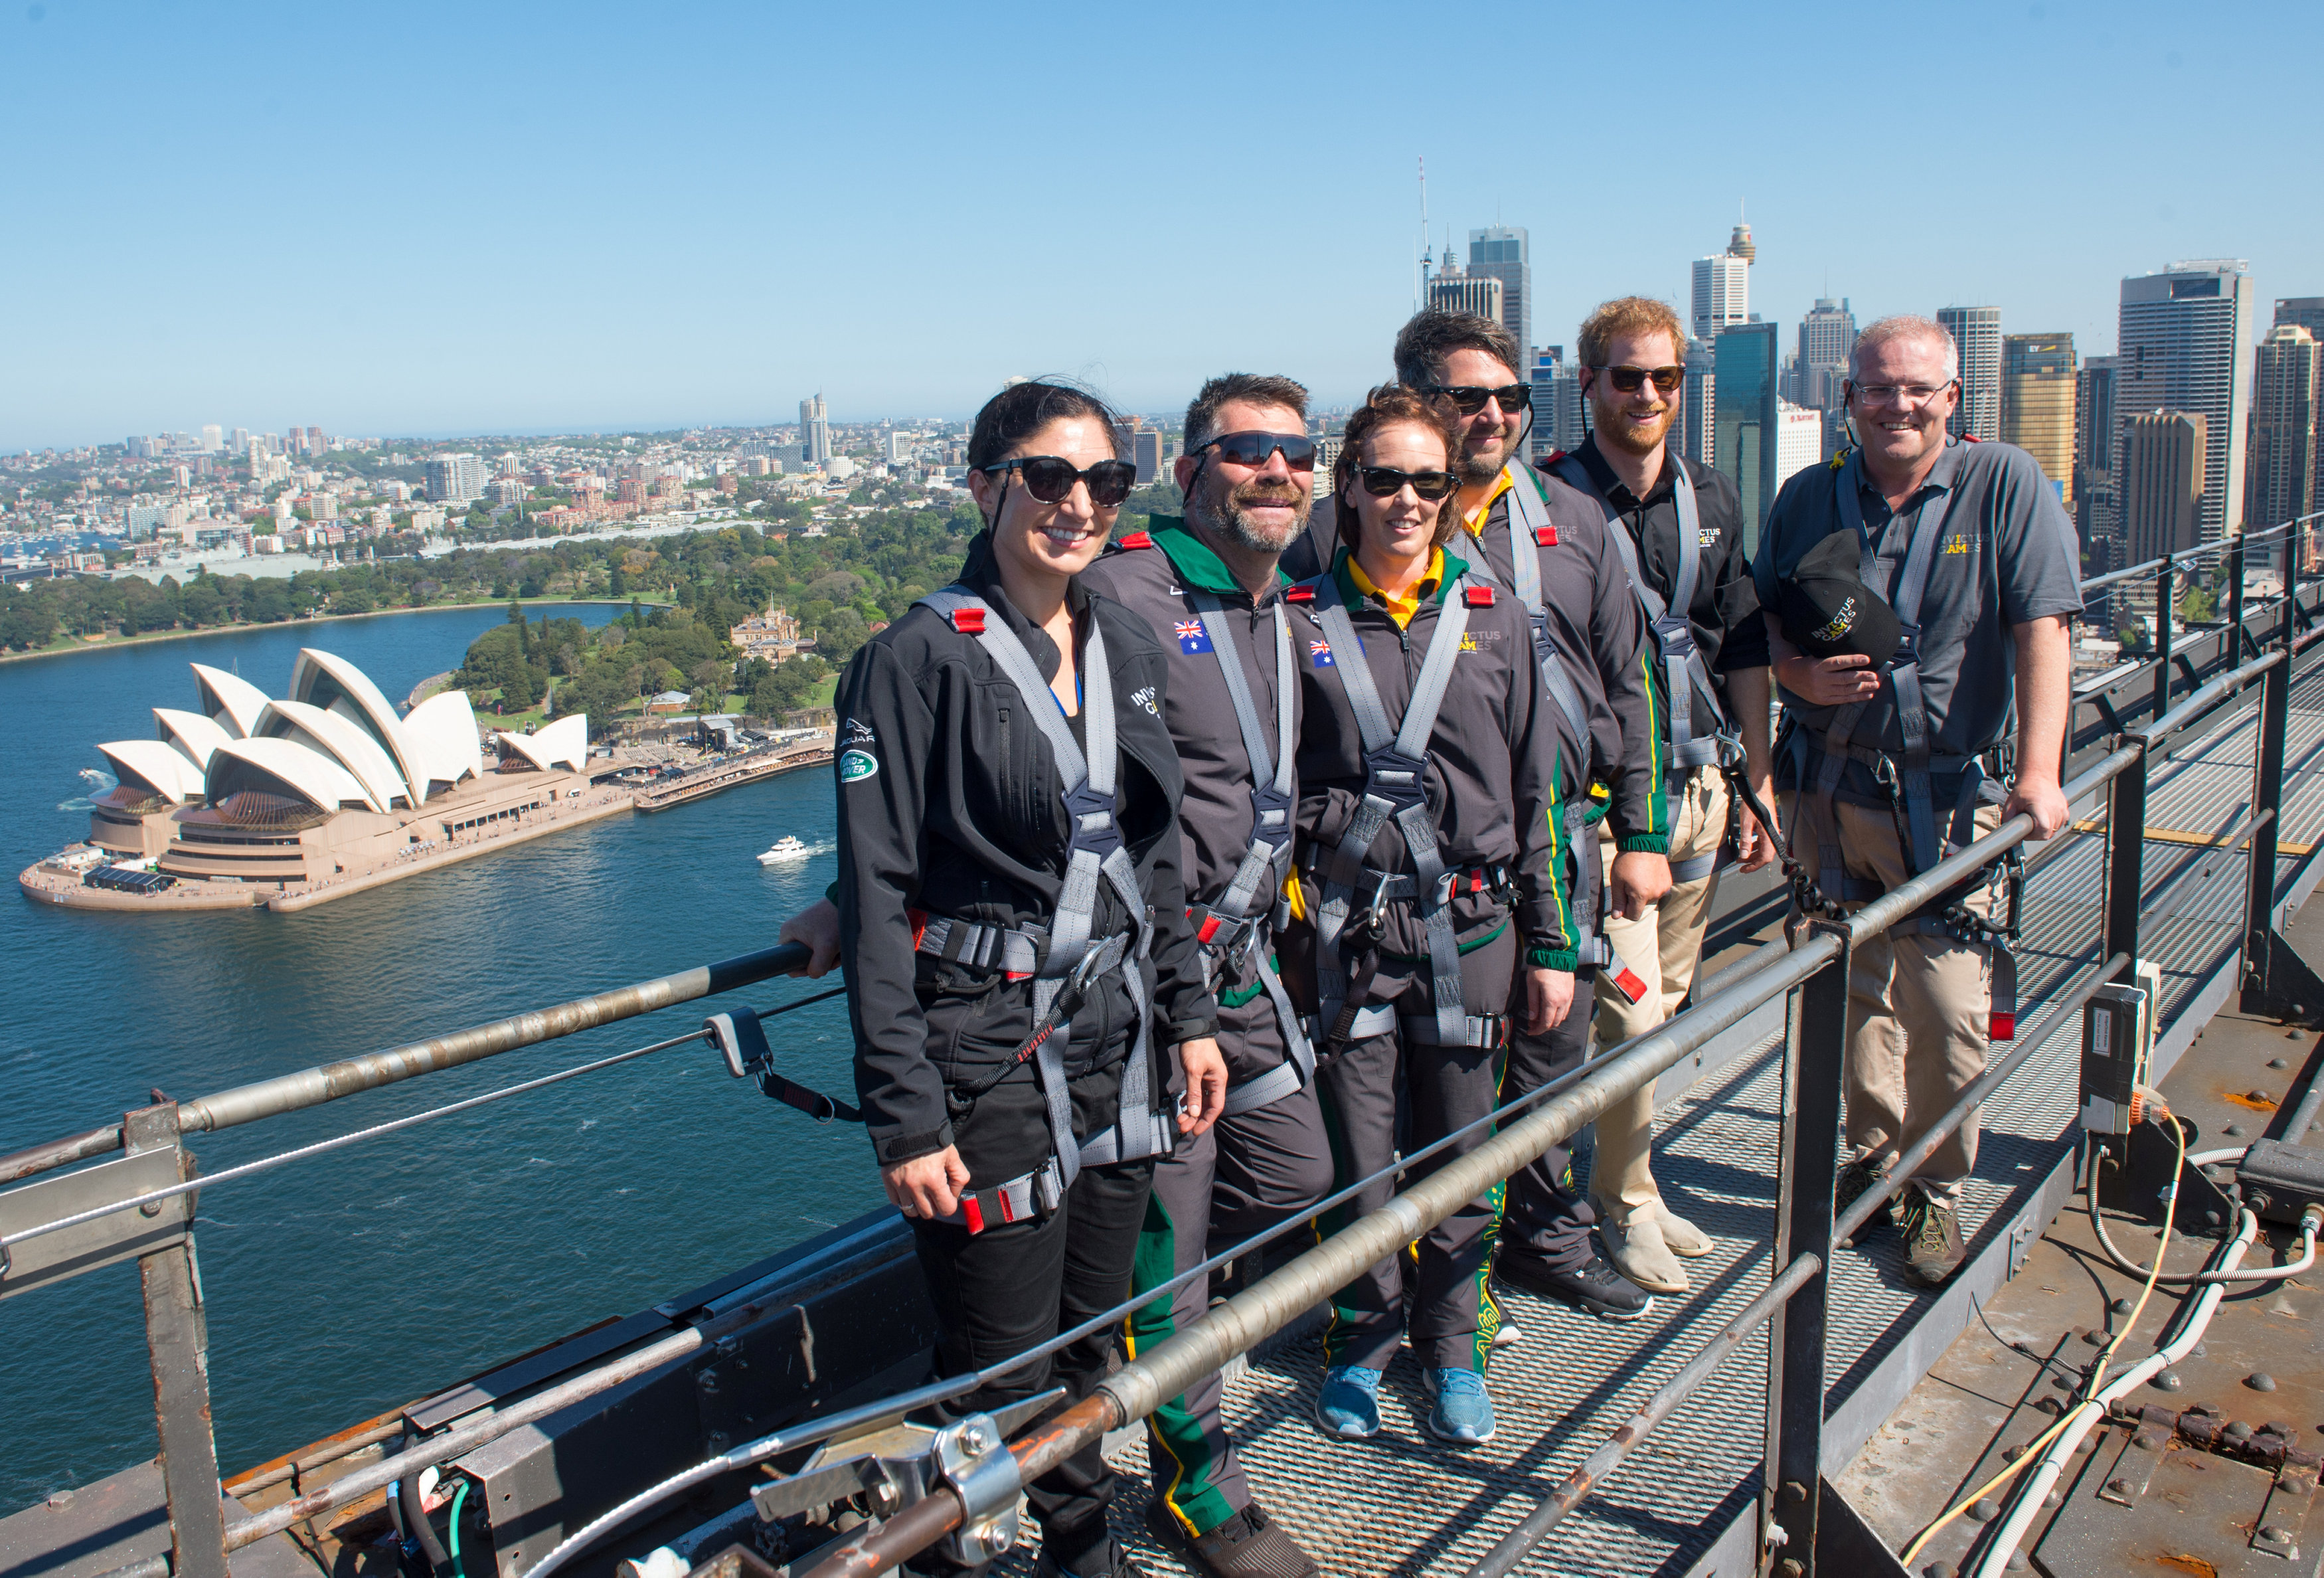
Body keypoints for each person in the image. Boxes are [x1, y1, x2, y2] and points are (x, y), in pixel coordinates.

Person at [830, 379, 1229, 1578]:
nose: (1076, 504)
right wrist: (904, 1118)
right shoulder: (913, 661)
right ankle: (979, 1556)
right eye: (1047, 477)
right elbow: (874, 898)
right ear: (984, 483)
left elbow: (1153, 860)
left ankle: (1075, 1542)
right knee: (999, 1358)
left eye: (1104, 483)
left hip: (1119, 1036)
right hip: (986, 1055)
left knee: (1095, 1336)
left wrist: (1189, 1020)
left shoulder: (1126, 643)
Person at [1283, 310, 1669, 1322]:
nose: (1491, 415)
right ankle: (1396, 1298)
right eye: (1467, 398)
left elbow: (1630, 682)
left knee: (1549, 1055)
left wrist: (1644, 830)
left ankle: (1540, 1244)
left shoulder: (1574, 518)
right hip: (1394, 869)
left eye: (1510, 397)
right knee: (1412, 1089)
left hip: (1554, 838)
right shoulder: (1343, 530)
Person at [1754, 315, 2075, 1287]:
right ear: (1848, 398)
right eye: (1878, 388)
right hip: (1825, 780)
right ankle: (1872, 1154)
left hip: (1942, 793)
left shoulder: (2002, 484)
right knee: (1849, 988)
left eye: (1917, 389)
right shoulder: (1811, 496)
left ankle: (1936, 1188)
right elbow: (1759, 623)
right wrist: (1796, 684)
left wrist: (2041, 769)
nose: (1897, 405)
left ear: (1952, 397)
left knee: (1945, 1002)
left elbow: (2044, 627)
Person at [1285, 383, 1578, 1449]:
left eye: (1430, 480)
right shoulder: (1301, 624)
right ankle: (1361, 1341)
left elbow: (1539, 791)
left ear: (1455, 493)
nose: (1407, 500)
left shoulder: (1502, 620)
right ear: (1347, 487)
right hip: (1353, 936)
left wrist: (1553, 942)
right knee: (1360, 1160)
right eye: (1384, 479)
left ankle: (1456, 1345)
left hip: (1475, 928)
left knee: (1464, 1154)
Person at [1077, 375, 1332, 1578]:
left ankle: (1144, 1318)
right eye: (1248, 452)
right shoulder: (1126, 590)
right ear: (1192, 469)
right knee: (1173, 1252)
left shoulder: (1277, 596)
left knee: (1301, 1174)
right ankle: (1197, 1481)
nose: (1277, 470)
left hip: (1244, 967)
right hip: (1155, 987)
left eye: (1296, 450)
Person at [1536, 296, 1777, 1295]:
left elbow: (1745, 641)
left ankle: (1627, 1177)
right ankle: (1621, 1201)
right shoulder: (1544, 506)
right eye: (1626, 376)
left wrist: (1755, 777)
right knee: (1629, 1016)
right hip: (1605, 803)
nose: (1646, 394)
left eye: (1664, 378)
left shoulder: (1708, 494)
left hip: (1699, 783)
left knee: (1669, 1004)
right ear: (1587, 383)